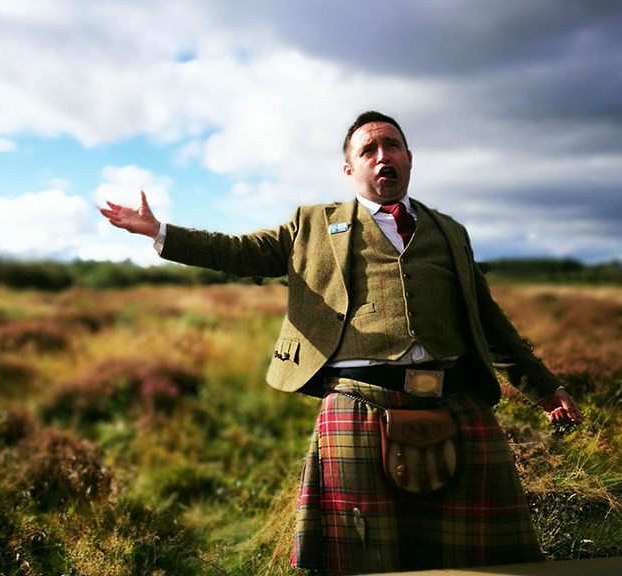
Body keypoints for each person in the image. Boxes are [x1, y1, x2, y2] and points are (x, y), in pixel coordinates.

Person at [99, 111, 582, 575]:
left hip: (456, 399)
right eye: (368, 149)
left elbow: (489, 320)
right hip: (358, 402)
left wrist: (544, 388)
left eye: (392, 145)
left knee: (487, 555)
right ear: (350, 169)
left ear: (409, 158)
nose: (382, 155)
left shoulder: (451, 231)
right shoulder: (311, 224)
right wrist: (160, 232)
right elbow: (238, 251)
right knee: (362, 554)